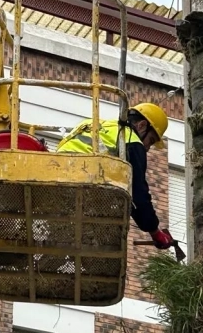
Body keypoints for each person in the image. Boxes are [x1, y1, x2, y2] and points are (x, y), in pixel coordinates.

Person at [56, 103, 174, 250]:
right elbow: (137, 193)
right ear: (142, 125)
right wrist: (154, 230)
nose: (147, 148)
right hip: (83, 184)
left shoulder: (96, 124)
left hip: (57, 178)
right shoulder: (131, 139)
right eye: (150, 141)